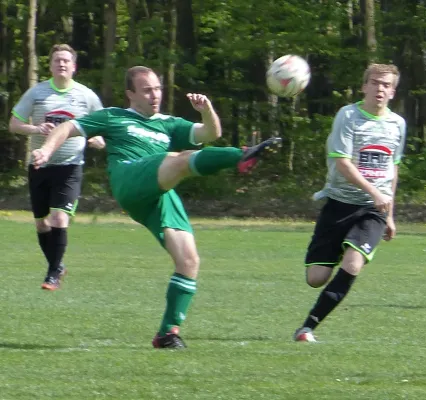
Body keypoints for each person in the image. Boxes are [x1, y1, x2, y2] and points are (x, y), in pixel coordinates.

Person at [31, 65, 282, 349]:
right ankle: (241, 156)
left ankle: (167, 334)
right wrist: (46, 150)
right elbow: (67, 127)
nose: (155, 95)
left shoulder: (169, 123)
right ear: (130, 94)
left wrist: (206, 110)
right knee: (179, 159)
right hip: (130, 177)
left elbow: (210, 133)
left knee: (189, 261)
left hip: (160, 191)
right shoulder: (114, 116)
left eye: (158, 89)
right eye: (147, 90)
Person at [293, 64, 406, 342]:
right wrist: (375, 192)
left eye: (386, 85)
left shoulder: (398, 124)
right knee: (316, 278)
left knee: (353, 264)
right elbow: (342, 163)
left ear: (393, 91)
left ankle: (307, 328)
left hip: (373, 210)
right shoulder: (348, 116)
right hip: (339, 203)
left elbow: (393, 168)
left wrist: (388, 212)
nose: (380, 88)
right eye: (375, 83)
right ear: (364, 86)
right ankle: (330, 263)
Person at [9, 44, 104, 291]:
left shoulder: (87, 96)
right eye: (56, 61)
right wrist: (36, 129)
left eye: (66, 61)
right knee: (41, 223)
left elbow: (103, 129)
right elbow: (14, 124)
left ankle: (52, 273)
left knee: (59, 217)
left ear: (74, 66)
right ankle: (57, 266)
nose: (61, 64)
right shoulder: (37, 93)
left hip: (70, 166)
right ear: (50, 66)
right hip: (40, 164)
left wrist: (96, 140)